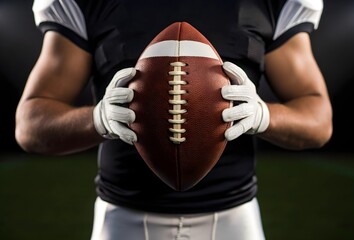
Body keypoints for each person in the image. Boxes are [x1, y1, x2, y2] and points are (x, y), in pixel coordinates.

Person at [15, 0, 333, 239]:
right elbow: (30, 125)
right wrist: (98, 120)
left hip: (233, 218)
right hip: (124, 217)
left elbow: (318, 119)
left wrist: (263, 115)